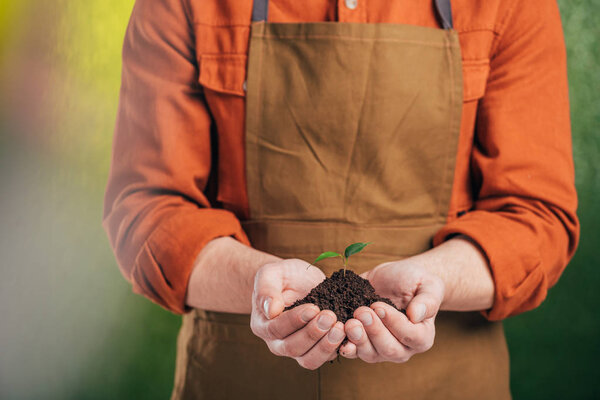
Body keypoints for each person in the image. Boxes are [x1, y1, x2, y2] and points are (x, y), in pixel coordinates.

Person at [103, 0, 579, 398]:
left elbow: (536, 216)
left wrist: (434, 281)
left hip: (447, 381)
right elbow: (147, 210)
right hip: (238, 377)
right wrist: (257, 285)